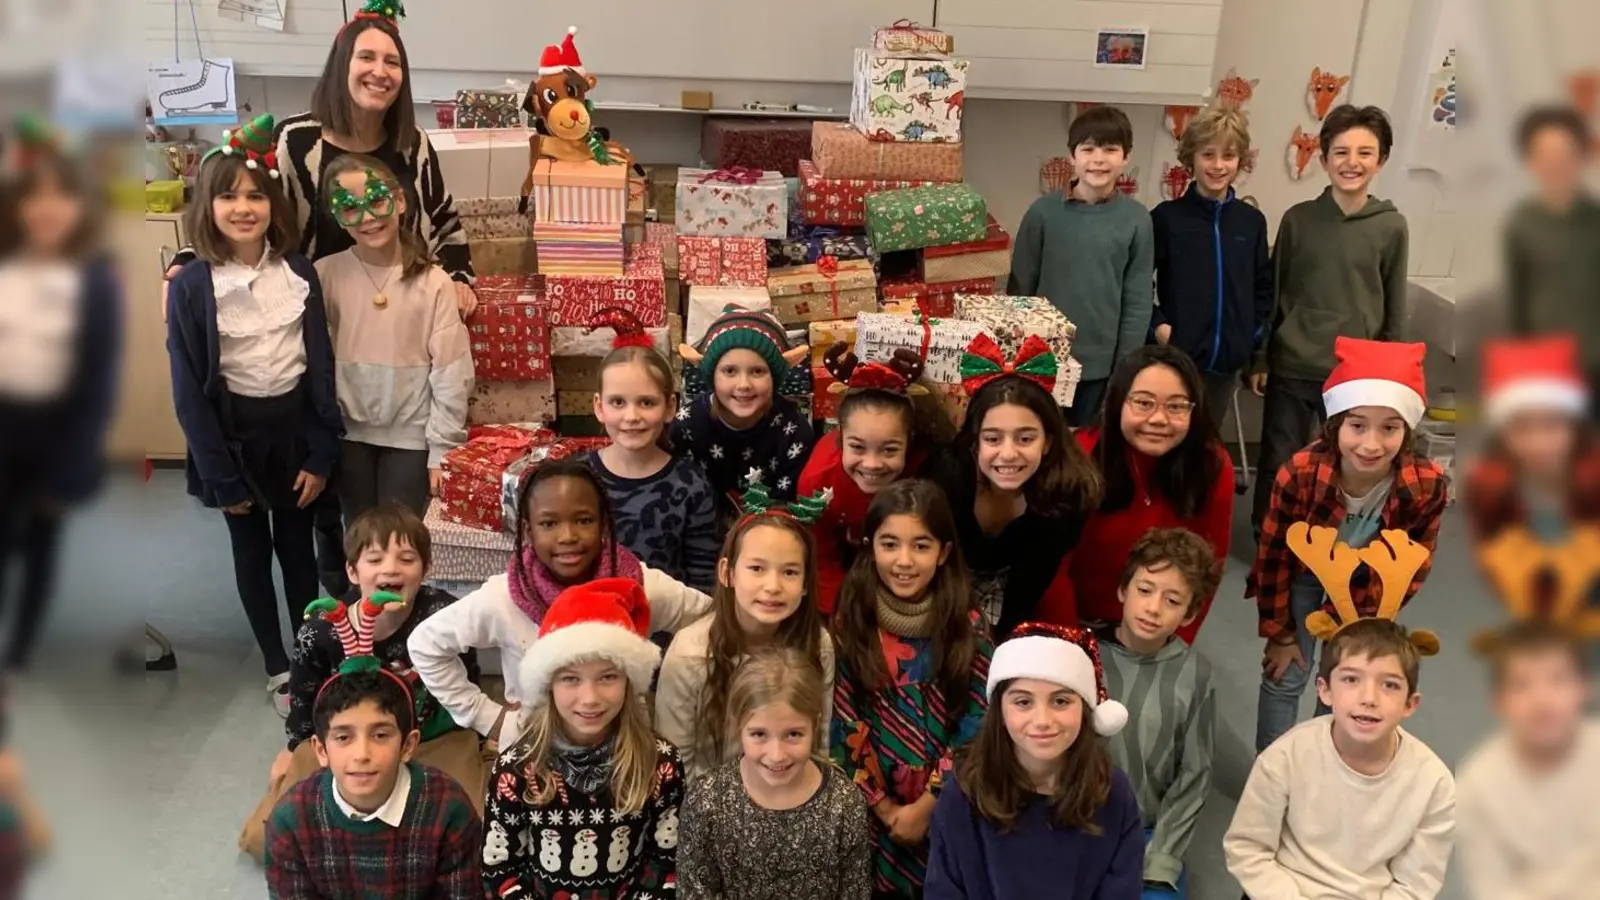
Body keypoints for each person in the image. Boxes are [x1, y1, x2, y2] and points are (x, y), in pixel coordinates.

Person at [165, 0, 480, 598]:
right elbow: (246, 214)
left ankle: (394, 608)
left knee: (388, 506)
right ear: (342, 63)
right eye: (367, 56)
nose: (379, 71)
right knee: (335, 502)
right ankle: (341, 610)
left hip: (398, 309)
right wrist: (187, 263)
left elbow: (444, 219)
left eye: (393, 61)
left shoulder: (412, 144)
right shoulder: (296, 140)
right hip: (315, 314)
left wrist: (459, 279)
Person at [167, 116, 344, 717]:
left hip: (292, 435)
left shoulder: (298, 274)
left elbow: (319, 369)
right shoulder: (192, 285)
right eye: (228, 196)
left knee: (298, 550)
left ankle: (309, 655)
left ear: (274, 204)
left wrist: (322, 450)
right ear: (208, 206)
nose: (243, 208)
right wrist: (219, 474)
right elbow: (189, 389)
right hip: (233, 442)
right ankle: (276, 666)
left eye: (255, 196)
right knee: (250, 550)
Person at [407, 459, 712, 748]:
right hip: (538, 751)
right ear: (528, 531)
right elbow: (425, 644)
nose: (567, 536)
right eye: (549, 523)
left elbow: (708, 617)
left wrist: (674, 692)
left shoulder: (638, 586)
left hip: (626, 748)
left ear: (604, 524)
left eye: (583, 520)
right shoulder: (505, 598)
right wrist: (490, 718)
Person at [239, 504, 485, 860]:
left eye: (406, 558)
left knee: (469, 838)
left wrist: (477, 741)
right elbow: (305, 698)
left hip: (433, 735)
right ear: (352, 571)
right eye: (375, 559)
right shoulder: (320, 632)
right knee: (269, 842)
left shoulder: (445, 616)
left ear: (426, 569)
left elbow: (467, 679)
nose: (390, 568)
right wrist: (294, 750)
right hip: (345, 740)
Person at [1251, 337, 1447, 752]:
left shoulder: (1426, 485)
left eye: (1389, 428)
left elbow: (1416, 562)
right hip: (1304, 573)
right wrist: (1279, 631)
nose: (1371, 444)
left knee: (1347, 675)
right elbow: (1274, 558)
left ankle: (1327, 763)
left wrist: (1371, 622)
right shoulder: (1300, 474)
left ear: (1407, 431)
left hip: (1368, 580)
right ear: (1336, 425)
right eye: (1357, 425)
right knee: (1286, 672)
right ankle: (1272, 770)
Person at [1249, 104, 1410, 533]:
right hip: (1292, 364)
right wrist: (1262, 357)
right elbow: (1275, 293)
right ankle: (1268, 538)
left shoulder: (1391, 227)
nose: (1351, 163)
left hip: (1354, 373)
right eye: (1340, 152)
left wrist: (1392, 376)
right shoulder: (1298, 220)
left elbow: (1393, 305)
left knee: (1343, 465)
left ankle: (1320, 540)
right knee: (1279, 458)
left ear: (1382, 161)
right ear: (1323, 160)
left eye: (1364, 153)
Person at [830, 479, 993, 900]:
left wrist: (929, 805)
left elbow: (977, 725)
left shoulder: (968, 627)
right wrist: (885, 809)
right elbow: (845, 724)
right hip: (874, 816)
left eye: (921, 546)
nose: (904, 560)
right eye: (890, 544)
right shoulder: (853, 624)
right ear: (871, 548)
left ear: (944, 554)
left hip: (952, 805)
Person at [0, 121, 120, 672]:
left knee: (41, 545)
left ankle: (20, 653)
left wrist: (73, 465)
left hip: (54, 433)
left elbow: (97, 382)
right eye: (36, 196)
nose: (48, 209)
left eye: (62, 196)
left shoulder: (93, 280)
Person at [1224, 618, 1456, 900]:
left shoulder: (1435, 784)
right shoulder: (1286, 756)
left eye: (1390, 685)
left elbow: (1415, 885)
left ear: (1410, 704)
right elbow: (1248, 848)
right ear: (1325, 691)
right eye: (1351, 679)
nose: (1369, 698)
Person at [479, 579, 681, 899]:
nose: (590, 698)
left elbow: (666, 861)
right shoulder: (514, 769)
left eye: (608, 677)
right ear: (549, 685)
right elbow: (500, 869)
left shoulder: (661, 763)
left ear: (629, 681)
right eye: (571, 679)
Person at [925, 624, 1144, 900]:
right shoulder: (963, 795)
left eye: (1061, 701)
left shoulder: (1113, 793)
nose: (1042, 721)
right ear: (1000, 710)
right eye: (1023, 702)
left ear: (1086, 708)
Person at [318, 153, 472, 519]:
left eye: (376, 200)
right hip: (348, 437)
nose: (368, 217)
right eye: (351, 208)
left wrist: (442, 450)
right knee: (358, 537)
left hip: (410, 440)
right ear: (338, 217)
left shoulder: (433, 282)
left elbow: (451, 372)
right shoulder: (325, 275)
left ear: (400, 200)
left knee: (402, 540)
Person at [923, 335, 1101, 638]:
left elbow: (1027, 590)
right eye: (993, 438)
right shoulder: (943, 481)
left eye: (1025, 438)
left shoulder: (1067, 498)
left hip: (1015, 589)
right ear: (974, 444)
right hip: (943, 580)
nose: (1008, 453)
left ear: (1048, 443)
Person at [264, 657, 482, 899]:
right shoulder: (289, 820)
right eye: (343, 737)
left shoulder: (450, 810)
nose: (362, 755)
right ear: (321, 750)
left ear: (408, 746)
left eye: (380, 735)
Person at [656, 489, 834, 778]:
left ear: (805, 582)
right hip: (708, 804)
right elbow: (676, 764)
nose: (773, 585)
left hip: (791, 794)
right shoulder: (690, 655)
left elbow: (820, 743)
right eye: (757, 568)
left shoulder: (817, 643)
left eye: (789, 572)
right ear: (728, 573)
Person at [1060, 346, 1233, 642]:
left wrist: (1174, 645)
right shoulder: (1080, 457)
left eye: (1176, 406)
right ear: (1117, 403)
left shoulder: (1211, 467)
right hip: (1075, 623)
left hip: (1156, 632)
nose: (1159, 419)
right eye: (1143, 403)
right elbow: (1053, 569)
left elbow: (1208, 569)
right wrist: (1068, 643)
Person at [678, 648, 872, 900]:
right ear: (738, 727)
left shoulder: (844, 803)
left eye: (793, 734)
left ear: (815, 724)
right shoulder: (707, 801)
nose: (777, 754)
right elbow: (694, 892)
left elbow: (855, 892)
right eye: (759, 734)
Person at [1008, 105, 1154, 426]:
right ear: (1072, 157)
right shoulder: (1042, 213)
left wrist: (1126, 366)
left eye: (1110, 149)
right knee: (1038, 444)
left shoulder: (1137, 220)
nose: (1098, 159)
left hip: (1100, 367)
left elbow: (1138, 300)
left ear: (1126, 157)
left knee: (1087, 452)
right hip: (1041, 361)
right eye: (1087, 149)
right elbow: (1020, 290)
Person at [1094, 528, 1218, 899]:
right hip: (1067, 824)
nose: (1153, 608)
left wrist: (1161, 858)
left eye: (1172, 600)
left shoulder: (1195, 675)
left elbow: (1194, 776)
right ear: (1122, 590)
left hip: (1144, 833)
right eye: (1144, 590)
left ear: (1189, 613)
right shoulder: (1083, 655)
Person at [799, 342, 951, 614]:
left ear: (909, 441)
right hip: (848, 566)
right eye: (857, 446)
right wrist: (843, 614)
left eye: (889, 449)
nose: (872, 463)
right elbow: (821, 559)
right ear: (840, 436)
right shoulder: (817, 483)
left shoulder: (929, 471)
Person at [1149, 105, 1272, 427]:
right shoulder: (1167, 218)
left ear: (1240, 161)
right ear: (1191, 158)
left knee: (1205, 450)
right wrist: (1160, 328)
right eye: (1208, 155)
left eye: (1228, 156)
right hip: (1176, 361)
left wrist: (1250, 335)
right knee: (1166, 444)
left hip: (1226, 365)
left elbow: (1262, 287)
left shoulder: (1251, 222)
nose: (1218, 166)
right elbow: (1135, 284)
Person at [1457, 623, 1599, 900]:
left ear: (1584, 688)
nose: (1541, 700)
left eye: (1558, 680)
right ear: (1497, 701)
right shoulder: (1476, 788)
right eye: (1521, 685)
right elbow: (1492, 890)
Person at [587, 309, 719, 594]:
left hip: (667, 629)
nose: (631, 416)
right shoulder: (578, 479)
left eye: (646, 402)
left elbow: (703, 581)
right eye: (618, 402)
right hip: (589, 625)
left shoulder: (691, 485)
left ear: (670, 406)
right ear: (599, 406)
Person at [671, 306, 814, 523]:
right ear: (712, 376)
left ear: (774, 378)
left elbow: (788, 509)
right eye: (730, 371)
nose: (744, 384)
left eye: (757, 371)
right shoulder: (687, 427)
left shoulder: (793, 430)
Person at [1463, 335, 1600, 545]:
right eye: (1521, 428)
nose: (1538, 443)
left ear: (1576, 428)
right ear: (1501, 435)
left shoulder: (1593, 481)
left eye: (1552, 424)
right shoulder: (1489, 488)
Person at [1502, 105, 1600, 391]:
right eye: (1545, 154)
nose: (1555, 163)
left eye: (1565, 153)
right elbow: (1517, 303)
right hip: (1546, 364)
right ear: (1530, 160)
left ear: (1583, 156)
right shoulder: (1522, 224)